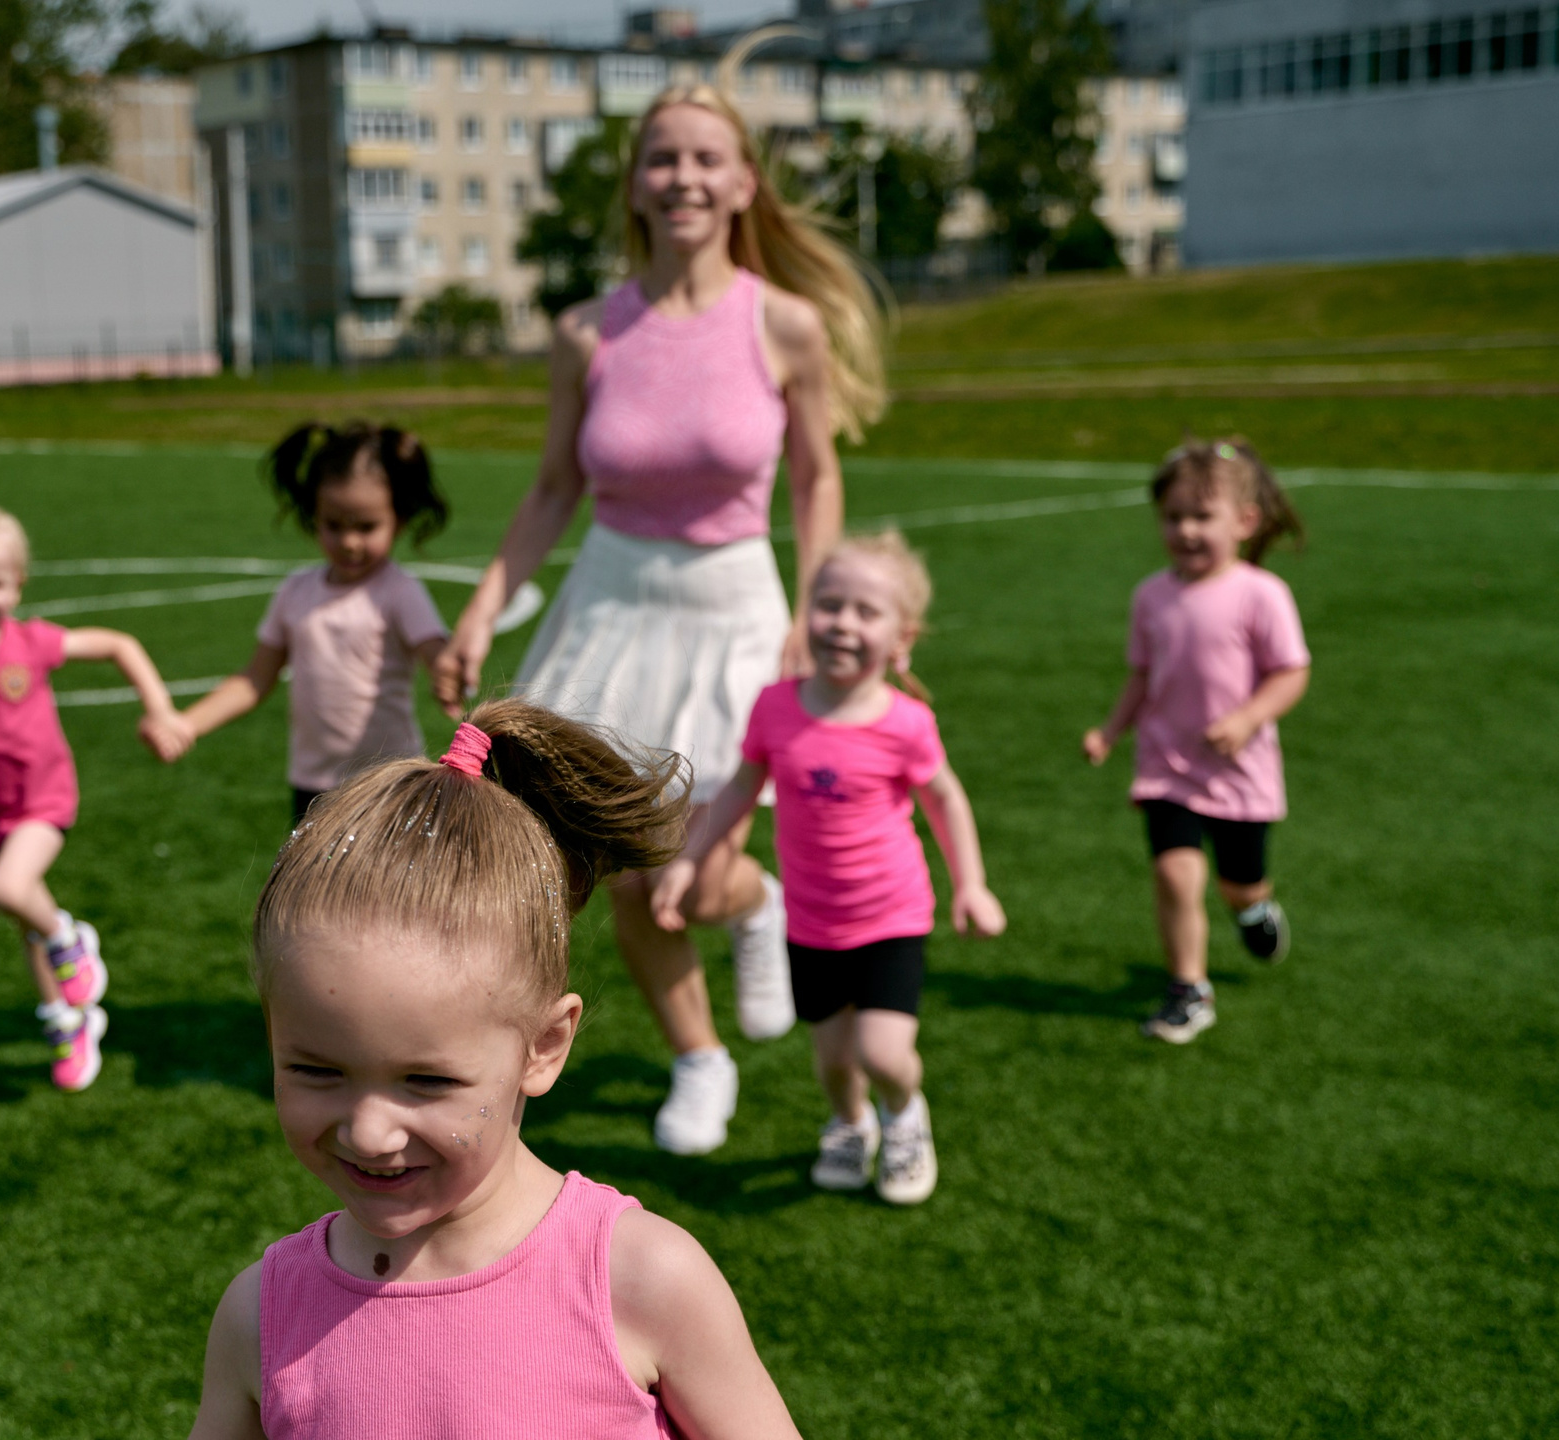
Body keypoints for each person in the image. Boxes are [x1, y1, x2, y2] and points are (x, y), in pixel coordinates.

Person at [0, 701, 1004, 1440]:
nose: (367, 1128)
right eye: (315, 1068)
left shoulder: (635, 1272)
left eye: (426, 1081)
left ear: (544, 1045)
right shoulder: (267, 1309)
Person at [432, 81, 891, 1160]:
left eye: (704, 158)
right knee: (622, 869)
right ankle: (698, 1053)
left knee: (695, 869)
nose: (683, 177)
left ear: (742, 183)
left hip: (734, 609)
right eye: (661, 158)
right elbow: (553, 486)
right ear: (635, 184)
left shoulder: (785, 325)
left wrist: (808, 603)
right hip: (609, 605)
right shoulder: (584, 332)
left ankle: (755, 900)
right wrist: (482, 608)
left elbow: (817, 476)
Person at [652, 534, 1003, 1206]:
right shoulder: (774, 706)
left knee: (883, 1053)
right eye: (829, 604)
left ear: (902, 637)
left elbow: (946, 798)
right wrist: (688, 861)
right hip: (811, 921)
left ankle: (904, 1113)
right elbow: (739, 787)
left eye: (866, 612)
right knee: (834, 1060)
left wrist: (972, 885)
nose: (843, 623)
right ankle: (849, 1123)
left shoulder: (906, 723)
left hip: (892, 916)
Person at [0, 505, 193, 1090]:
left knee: (9, 890)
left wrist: (159, 708)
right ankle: (68, 1019)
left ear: (17, 586)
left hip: (41, 802)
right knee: (24, 914)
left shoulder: (32, 640)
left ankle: (70, 940)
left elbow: (119, 645)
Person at [1083, 438, 1312, 1044]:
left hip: (1238, 770)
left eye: (1201, 516)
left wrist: (1248, 718)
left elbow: (1291, 673)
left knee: (1240, 883)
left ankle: (1253, 911)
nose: (1185, 530)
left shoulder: (1262, 594)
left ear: (1245, 522)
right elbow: (1142, 675)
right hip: (1167, 764)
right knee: (1174, 875)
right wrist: (1110, 730)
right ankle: (1188, 990)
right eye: (1173, 516)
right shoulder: (1150, 596)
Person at [173, 421, 452, 824]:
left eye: (366, 527)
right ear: (313, 514)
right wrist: (188, 724)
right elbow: (254, 679)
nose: (349, 542)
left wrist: (446, 672)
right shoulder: (295, 592)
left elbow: (437, 652)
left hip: (389, 786)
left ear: (400, 519)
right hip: (313, 787)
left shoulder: (400, 592)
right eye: (333, 525)